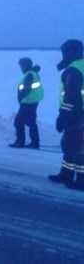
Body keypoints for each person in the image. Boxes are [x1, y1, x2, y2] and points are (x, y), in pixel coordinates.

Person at [49, 39, 84, 191]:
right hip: (79, 113)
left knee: (74, 146)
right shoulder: (80, 66)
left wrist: (62, 116)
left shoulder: (73, 70)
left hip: (77, 115)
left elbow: (71, 96)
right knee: (71, 145)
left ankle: (80, 180)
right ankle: (66, 173)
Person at [9, 57, 44, 149]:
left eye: (21, 65)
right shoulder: (33, 73)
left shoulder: (29, 75)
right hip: (33, 101)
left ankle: (20, 142)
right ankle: (35, 143)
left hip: (28, 101)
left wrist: (20, 97)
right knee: (31, 122)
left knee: (18, 121)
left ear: (25, 65)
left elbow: (27, 89)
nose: (20, 68)